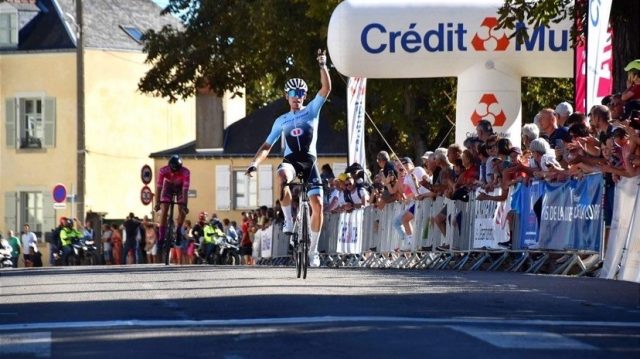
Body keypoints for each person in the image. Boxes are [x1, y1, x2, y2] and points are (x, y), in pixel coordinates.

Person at [245, 49, 331, 268]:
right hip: (292, 162)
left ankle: (313, 251)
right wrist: (254, 163)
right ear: (286, 96)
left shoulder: (312, 110)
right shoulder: (281, 120)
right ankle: (289, 221)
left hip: (309, 161)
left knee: (318, 205)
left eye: (300, 92)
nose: (296, 96)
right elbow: (266, 145)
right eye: (292, 92)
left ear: (303, 96)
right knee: (282, 175)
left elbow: (326, 88)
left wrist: (322, 65)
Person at [155, 155, 190, 256]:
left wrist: (184, 205)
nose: (174, 173)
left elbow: (185, 190)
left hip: (180, 187)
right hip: (168, 186)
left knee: (182, 209)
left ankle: (179, 230)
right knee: (164, 207)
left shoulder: (185, 172)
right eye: (172, 170)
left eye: (176, 171)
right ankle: (161, 238)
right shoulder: (163, 171)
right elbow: (159, 188)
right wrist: (157, 202)